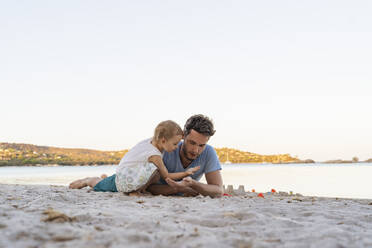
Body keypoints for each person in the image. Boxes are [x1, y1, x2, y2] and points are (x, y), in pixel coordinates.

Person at [69, 120, 200, 196]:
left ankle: (133, 187)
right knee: (101, 185)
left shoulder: (154, 141)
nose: (177, 147)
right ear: (164, 140)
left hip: (130, 172)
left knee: (154, 173)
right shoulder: (154, 155)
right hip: (124, 177)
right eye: (175, 144)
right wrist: (186, 173)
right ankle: (87, 180)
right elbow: (167, 176)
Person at [147, 114, 224, 198]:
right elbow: (148, 187)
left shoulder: (208, 152)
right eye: (192, 143)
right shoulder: (164, 148)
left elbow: (218, 191)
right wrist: (179, 189)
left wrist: (193, 184)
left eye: (201, 145)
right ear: (183, 135)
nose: (195, 150)